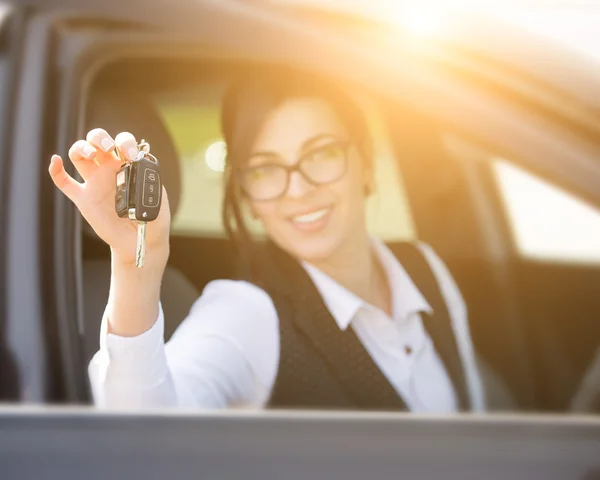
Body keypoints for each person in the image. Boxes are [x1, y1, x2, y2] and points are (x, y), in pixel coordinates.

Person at [49, 69, 489, 412]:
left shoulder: (425, 268)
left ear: (366, 163)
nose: (297, 190)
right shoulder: (247, 314)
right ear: (247, 196)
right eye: (264, 169)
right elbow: (140, 434)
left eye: (321, 154)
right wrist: (134, 268)